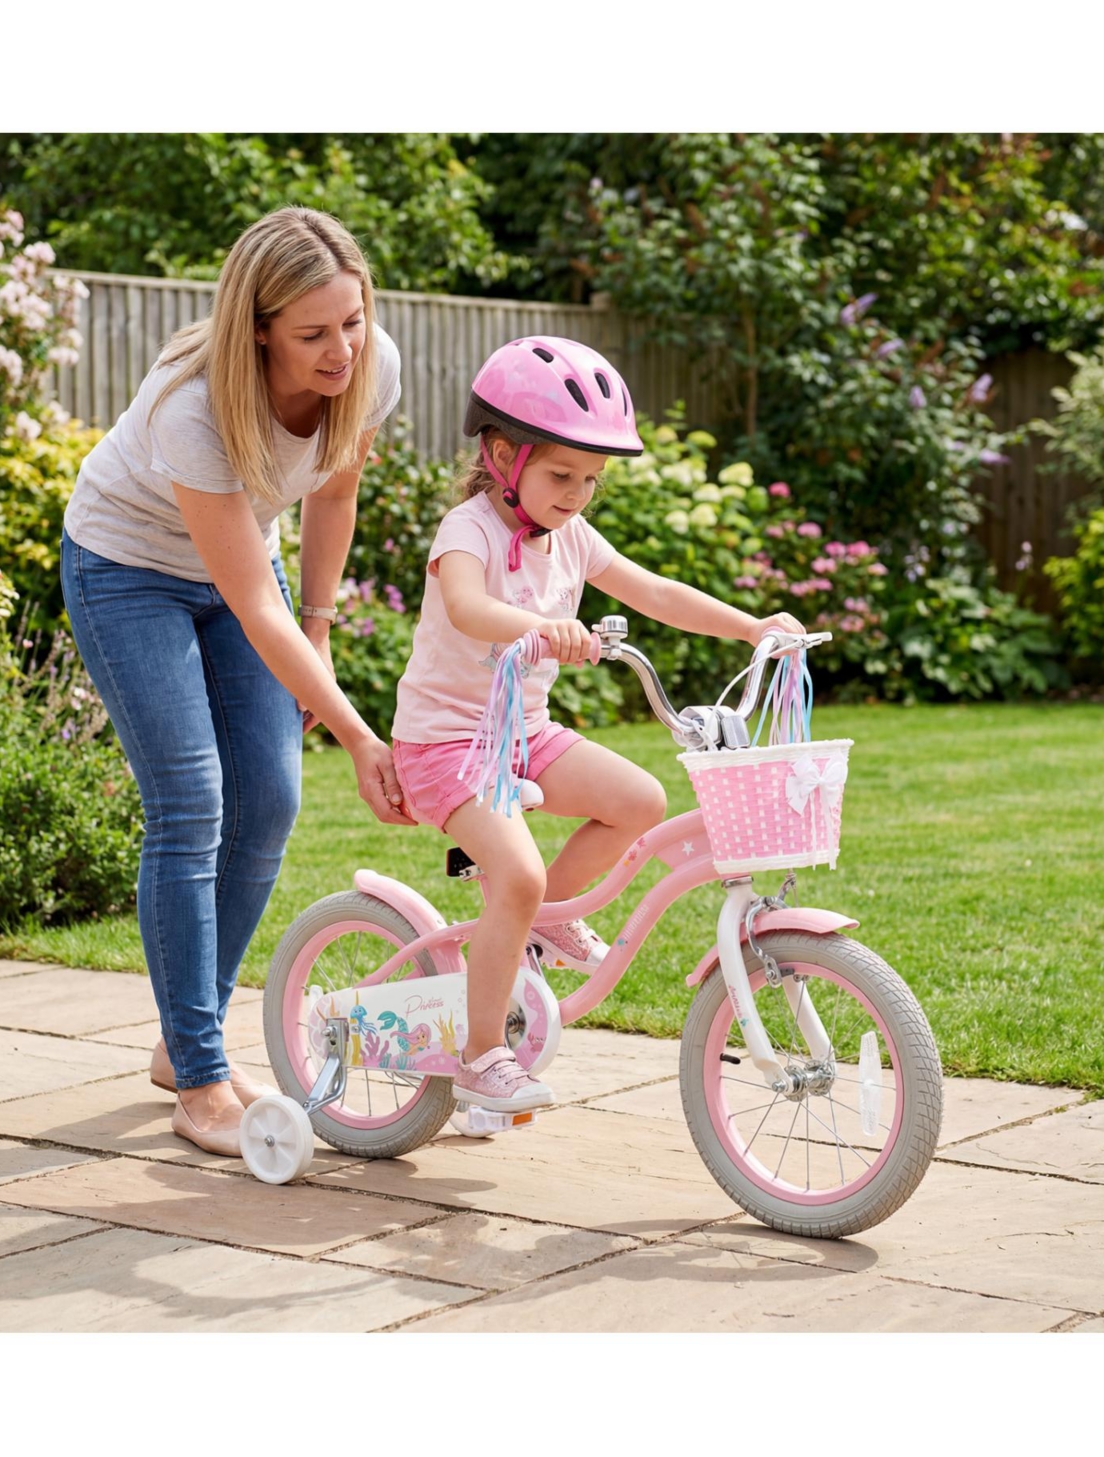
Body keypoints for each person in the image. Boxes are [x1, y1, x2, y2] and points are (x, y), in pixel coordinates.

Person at [61, 207, 414, 1157]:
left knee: (270, 797)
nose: (342, 349)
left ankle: (187, 1043)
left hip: (238, 571)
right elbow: (257, 610)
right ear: (258, 328)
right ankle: (203, 1077)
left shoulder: (368, 362)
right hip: (126, 570)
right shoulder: (196, 407)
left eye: (350, 320)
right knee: (190, 801)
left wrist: (325, 634)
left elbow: (333, 492)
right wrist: (359, 733)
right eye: (312, 334)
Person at [391, 336, 805, 1113]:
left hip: (525, 732)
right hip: (446, 742)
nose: (579, 493)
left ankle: (536, 929)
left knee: (639, 799)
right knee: (515, 874)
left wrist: (753, 629)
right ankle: (482, 1055)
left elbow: (655, 593)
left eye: (592, 478)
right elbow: (468, 607)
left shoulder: (572, 537)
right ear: (503, 455)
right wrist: (540, 628)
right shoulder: (467, 530)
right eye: (561, 475)